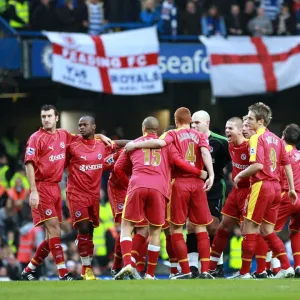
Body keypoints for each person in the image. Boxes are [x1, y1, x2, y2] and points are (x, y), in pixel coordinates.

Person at [21, 104, 111, 281]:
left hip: (56, 187)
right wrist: (33, 191)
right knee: (54, 229)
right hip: (41, 187)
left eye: (48, 116)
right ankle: (63, 274)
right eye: (43, 116)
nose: (46, 119)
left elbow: (84, 137)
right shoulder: (35, 138)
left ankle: (28, 270)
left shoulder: (63, 135)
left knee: (53, 236)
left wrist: (100, 136)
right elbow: (29, 164)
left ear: (56, 117)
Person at [124, 108, 214, 279]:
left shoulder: (172, 134)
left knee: (176, 229)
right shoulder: (200, 135)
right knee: (201, 227)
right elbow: (204, 152)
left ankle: (185, 271)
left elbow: (158, 144)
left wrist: (135, 144)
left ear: (175, 119)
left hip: (179, 183)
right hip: (198, 184)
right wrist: (210, 174)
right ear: (189, 120)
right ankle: (205, 271)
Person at [232, 102, 297, 279]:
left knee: (249, 229)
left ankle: (244, 273)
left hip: (261, 185)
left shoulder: (256, 138)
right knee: (268, 231)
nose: (248, 121)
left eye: (251, 118)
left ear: (260, 121)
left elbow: (258, 165)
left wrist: (239, 176)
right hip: (277, 188)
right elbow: (287, 164)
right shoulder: (276, 139)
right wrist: (291, 189)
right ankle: (286, 267)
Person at [65, 116, 118, 280]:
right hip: (76, 194)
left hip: (93, 195)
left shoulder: (102, 144)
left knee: (91, 231)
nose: (81, 127)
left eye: (84, 125)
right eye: (79, 125)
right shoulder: (72, 144)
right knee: (84, 228)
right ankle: (86, 268)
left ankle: (85, 259)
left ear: (93, 126)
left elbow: (119, 145)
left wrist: (140, 142)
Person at [188, 110, 231, 278]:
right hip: (193, 186)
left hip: (213, 187)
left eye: (197, 123)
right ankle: (193, 267)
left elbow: (233, 158)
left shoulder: (220, 142)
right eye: (192, 122)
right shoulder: (188, 139)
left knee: (213, 226)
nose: (193, 125)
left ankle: (216, 265)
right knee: (191, 225)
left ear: (207, 123)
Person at [208, 117, 250, 275]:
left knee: (250, 232)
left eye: (230, 128)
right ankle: (213, 268)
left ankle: (260, 268)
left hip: (251, 191)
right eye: (226, 128)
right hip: (236, 191)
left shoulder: (250, 145)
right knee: (223, 226)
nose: (227, 131)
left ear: (240, 130)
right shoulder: (228, 145)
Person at [274, 123, 300, 278]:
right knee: (296, 231)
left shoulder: (282, 154)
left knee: (267, 231)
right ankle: (298, 266)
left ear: (283, 136)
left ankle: (275, 269)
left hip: (288, 196)